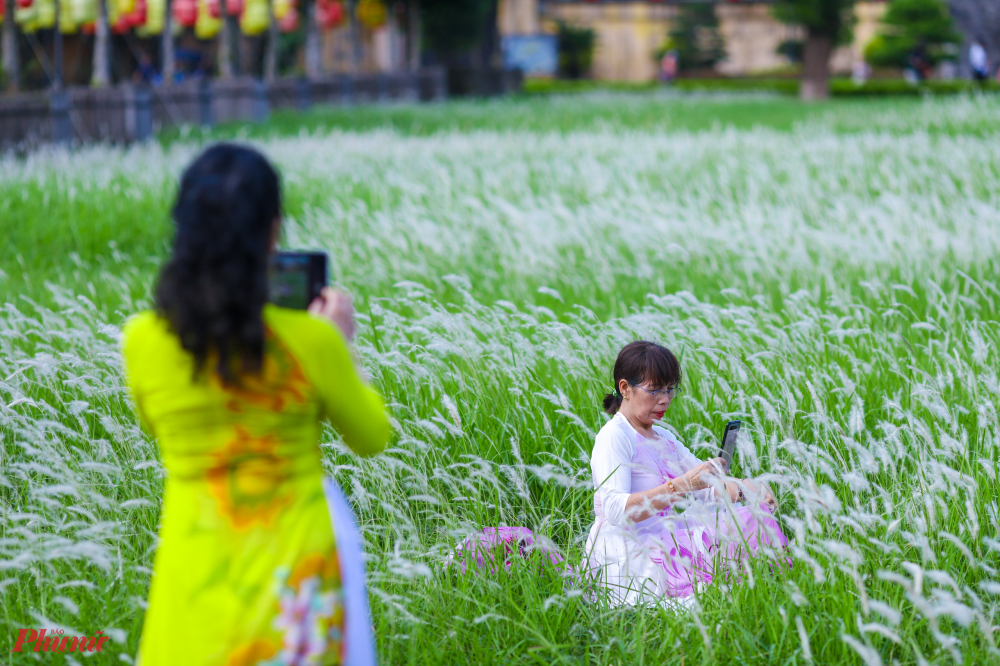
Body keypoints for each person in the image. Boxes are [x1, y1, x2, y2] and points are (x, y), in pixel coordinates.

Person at [123, 144, 389, 665]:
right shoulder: (309, 339)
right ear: (272, 231)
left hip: (194, 555)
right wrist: (341, 343)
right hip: (297, 566)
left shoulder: (143, 340)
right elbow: (372, 436)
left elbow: (153, 423)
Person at [584, 341, 787, 606]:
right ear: (625, 388)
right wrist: (680, 486)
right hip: (632, 552)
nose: (665, 399)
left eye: (669, 390)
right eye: (655, 390)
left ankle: (772, 592)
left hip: (665, 536)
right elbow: (616, 510)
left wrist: (746, 487)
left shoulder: (663, 436)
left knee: (752, 517)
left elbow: (705, 487)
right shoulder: (614, 436)